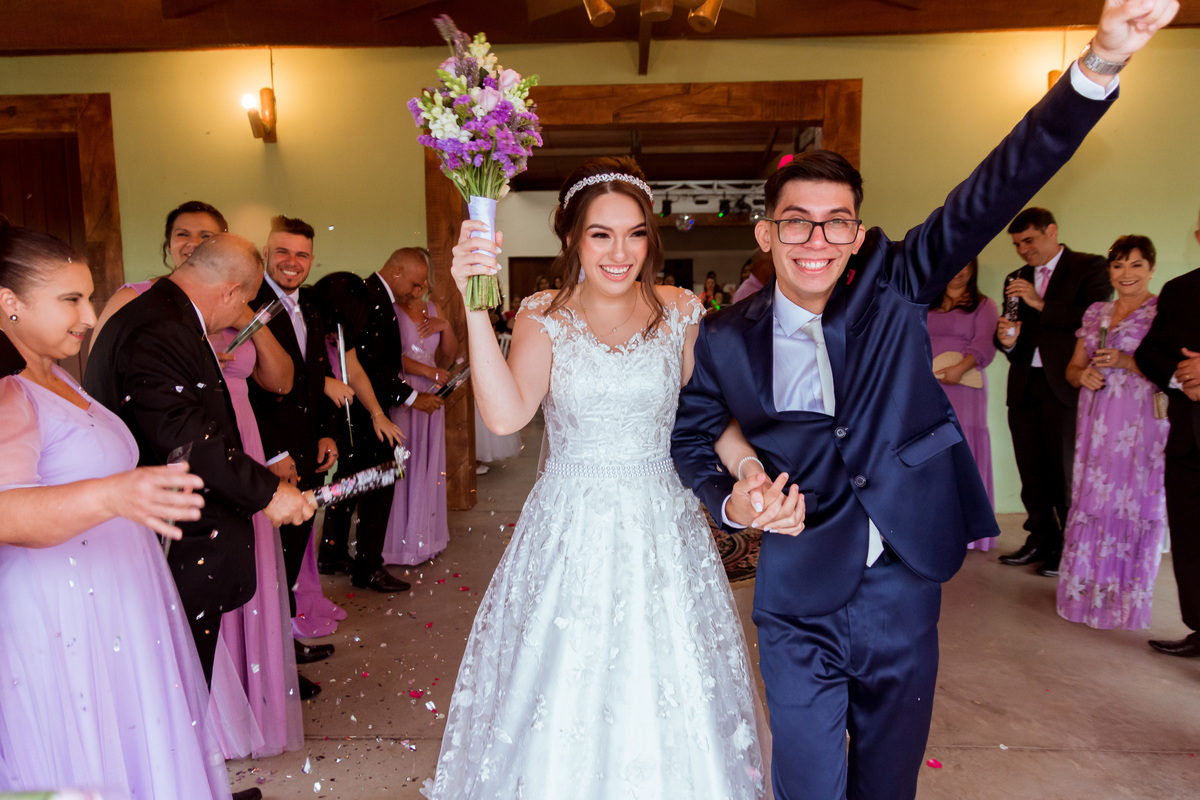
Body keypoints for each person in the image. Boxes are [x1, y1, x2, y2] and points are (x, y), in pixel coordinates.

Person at [672, 3, 1175, 796]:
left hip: (901, 578)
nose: (816, 241)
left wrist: (1100, 64)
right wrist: (734, 500)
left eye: (836, 224)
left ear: (857, 234)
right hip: (797, 592)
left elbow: (996, 187)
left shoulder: (894, 282)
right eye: (796, 223)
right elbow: (693, 434)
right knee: (806, 779)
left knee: (887, 783)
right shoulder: (726, 336)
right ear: (766, 234)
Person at [425, 156, 789, 799]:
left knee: (667, 673)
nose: (620, 253)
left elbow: (711, 421)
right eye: (601, 234)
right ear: (572, 237)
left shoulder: (680, 311)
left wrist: (750, 468)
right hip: (570, 525)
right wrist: (474, 305)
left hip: (662, 522)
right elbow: (506, 415)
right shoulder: (543, 314)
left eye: (635, 233)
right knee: (566, 673)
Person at [0, 221, 230, 798]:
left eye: (88, 297)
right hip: (61, 612)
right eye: (70, 300)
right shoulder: (8, 390)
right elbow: (5, 513)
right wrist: (113, 495)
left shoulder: (56, 375)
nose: (88, 314)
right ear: (10, 303)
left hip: (114, 596)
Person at [84, 233, 314, 682]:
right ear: (230, 292)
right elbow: (185, 438)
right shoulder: (161, 328)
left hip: (171, 525)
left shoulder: (161, 314)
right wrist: (268, 492)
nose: (238, 314)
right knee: (177, 677)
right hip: (168, 535)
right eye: (243, 303)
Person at [245, 215, 342, 672]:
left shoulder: (312, 307)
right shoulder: (248, 305)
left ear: (312, 259)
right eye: (282, 251)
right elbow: (246, 390)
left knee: (293, 548)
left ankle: (283, 646)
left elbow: (315, 377)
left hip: (307, 447)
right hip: (271, 454)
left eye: (301, 254)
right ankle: (272, 660)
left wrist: (327, 432)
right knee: (271, 557)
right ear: (266, 253)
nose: (292, 261)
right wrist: (274, 452)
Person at [1057, 235, 1168, 629]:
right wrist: (1081, 375)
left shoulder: (1162, 311)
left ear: (1151, 269)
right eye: (1119, 265)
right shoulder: (1096, 312)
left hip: (1140, 422)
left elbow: (1170, 372)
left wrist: (1126, 361)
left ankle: (1123, 601)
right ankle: (1085, 593)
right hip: (1096, 422)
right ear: (1109, 271)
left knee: (1133, 503)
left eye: (1136, 265)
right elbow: (1072, 368)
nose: (1126, 273)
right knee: (1093, 499)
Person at [996, 207, 1111, 577]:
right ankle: (1039, 538)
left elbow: (1094, 319)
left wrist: (1040, 303)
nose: (1023, 250)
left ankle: (1069, 547)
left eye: (1029, 240)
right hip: (1024, 384)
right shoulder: (1015, 277)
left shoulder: (1090, 267)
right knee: (1030, 470)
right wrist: (1006, 340)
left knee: (1063, 472)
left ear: (1052, 231)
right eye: (1017, 245)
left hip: (1065, 384)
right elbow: (1012, 329)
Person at [318, 248, 443, 592]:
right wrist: (406, 400)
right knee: (378, 484)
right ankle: (368, 566)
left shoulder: (373, 295)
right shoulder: (370, 298)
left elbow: (360, 362)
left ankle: (331, 552)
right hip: (359, 409)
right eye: (416, 284)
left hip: (361, 406)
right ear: (397, 271)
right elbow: (372, 363)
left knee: (348, 480)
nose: (418, 292)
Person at [1136, 209, 1200, 657]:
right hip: (1187, 441)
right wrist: (1181, 379)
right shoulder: (1179, 291)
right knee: (1191, 542)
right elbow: (1149, 352)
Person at [382, 248, 458, 565]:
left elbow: (448, 356)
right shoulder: (390, 309)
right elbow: (388, 357)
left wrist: (445, 327)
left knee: (427, 463)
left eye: (424, 281)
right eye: (416, 281)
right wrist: (427, 371)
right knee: (404, 463)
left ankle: (423, 537)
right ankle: (397, 543)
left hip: (431, 392)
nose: (420, 288)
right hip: (404, 393)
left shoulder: (433, 308)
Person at [928, 259, 1000, 548]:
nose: (958, 271)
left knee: (965, 449)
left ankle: (970, 532)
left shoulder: (984, 306)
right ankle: (934, 528)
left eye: (965, 265)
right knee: (932, 451)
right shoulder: (926, 302)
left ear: (973, 268)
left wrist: (959, 369)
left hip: (965, 386)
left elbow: (985, 345)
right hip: (928, 385)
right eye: (954, 264)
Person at [91, 200, 227, 348]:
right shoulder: (131, 298)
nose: (194, 242)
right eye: (182, 234)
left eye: (206, 236)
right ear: (169, 245)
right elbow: (99, 359)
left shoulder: (236, 300)